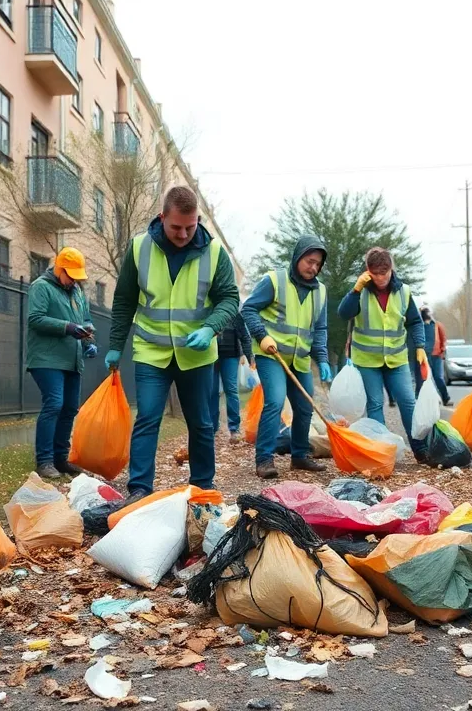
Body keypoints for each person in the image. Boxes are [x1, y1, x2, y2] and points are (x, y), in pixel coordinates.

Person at [105, 186, 240, 499]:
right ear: (161, 217)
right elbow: (124, 299)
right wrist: (115, 344)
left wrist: (210, 328)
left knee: (202, 423)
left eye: (190, 227)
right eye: (176, 227)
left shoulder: (215, 253)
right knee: (148, 418)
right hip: (151, 351)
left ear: (198, 220)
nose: (183, 234)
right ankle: (139, 489)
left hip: (197, 354)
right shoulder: (139, 248)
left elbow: (229, 299)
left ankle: (202, 487)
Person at [242, 235, 331, 478]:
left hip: (300, 359)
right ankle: (264, 459)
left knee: (305, 406)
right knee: (275, 401)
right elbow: (248, 309)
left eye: (317, 264)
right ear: (298, 257)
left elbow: (320, 328)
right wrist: (261, 335)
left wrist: (322, 359)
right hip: (271, 355)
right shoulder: (274, 281)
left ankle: (300, 456)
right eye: (309, 261)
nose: (313, 267)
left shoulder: (320, 292)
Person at [338, 247, 427, 456]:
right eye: (375, 274)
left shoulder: (403, 291)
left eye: (384, 273)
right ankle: (382, 451)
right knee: (375, 404)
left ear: (391, 269)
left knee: (408, 401)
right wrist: (355, 290)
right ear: (368, 271)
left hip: (396, 359)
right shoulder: (361, 292)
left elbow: (415, 321)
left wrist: (420, 346)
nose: (380, 279)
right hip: (367, 361)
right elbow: (344, 313)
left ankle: (420, 448)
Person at [25, 247, 96, 480]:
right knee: (54, 403)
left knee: (69, 408)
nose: (74, 280)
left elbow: (84, 320)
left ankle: (60, 459)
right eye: (71, 275)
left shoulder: (76, 292)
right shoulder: (41, 287)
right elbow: (35, 319)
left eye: (77, 277)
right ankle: (44, 460)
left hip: (71, 359)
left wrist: (87, 340)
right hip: (47, 358)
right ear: (59, 269)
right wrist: (68, 327)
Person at [212, 312, 253, 443]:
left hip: (230, 356)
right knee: (212, 391)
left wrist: (249, 356)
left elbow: (245, 336)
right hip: (210, 356)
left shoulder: (235, 314)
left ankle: (234, 429)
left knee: (231, 390)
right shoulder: (209, 309)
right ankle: (212, 427)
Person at [419, 305, 452, 406]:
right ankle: (429, 401)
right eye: (424, 311)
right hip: (424, 356)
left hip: (436, 356)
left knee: (438, 377)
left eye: (427, 311)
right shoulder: (419, 325)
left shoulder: (437, 325)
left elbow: (443, 339)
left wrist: (442, 351)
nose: (426, 313)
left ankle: (445, 398)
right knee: (425, 379)